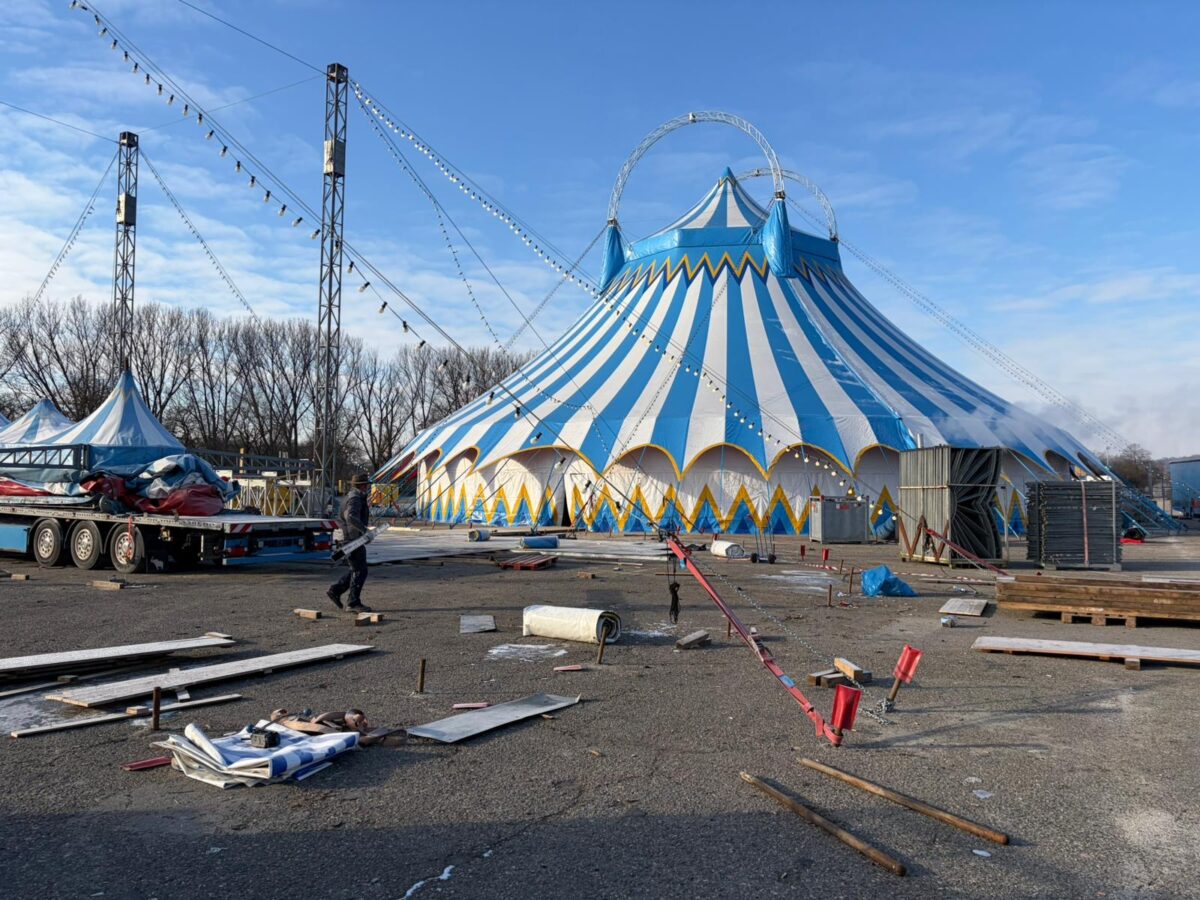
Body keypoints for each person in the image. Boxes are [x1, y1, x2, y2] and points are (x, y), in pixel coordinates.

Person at [327, 472, 372, 612]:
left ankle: (336, 590)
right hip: (352, 539)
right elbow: (351, 517)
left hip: (351, 538)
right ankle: (353, 602)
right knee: (360, 570)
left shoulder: (351, 496)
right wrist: (364, 530)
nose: (368, 488)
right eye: (367, 486)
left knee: (356, 569)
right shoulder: (355, 499)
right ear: (363, 486)